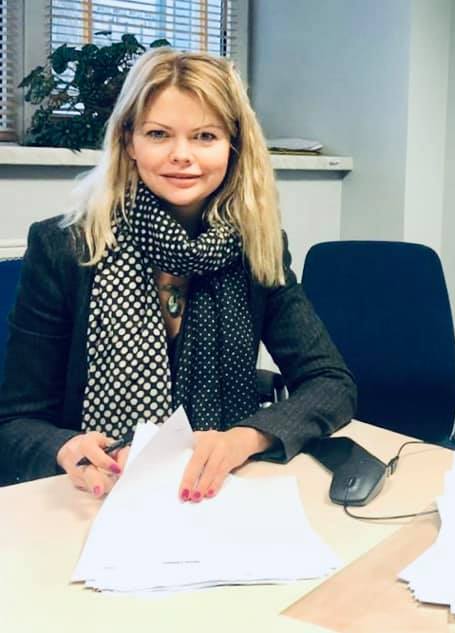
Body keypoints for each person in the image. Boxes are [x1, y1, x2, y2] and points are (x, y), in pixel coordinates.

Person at [0, 48, 357, 502]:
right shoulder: (66, 248)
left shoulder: (256, 247)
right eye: (158, 134)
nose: (181, 155)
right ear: (129, 141)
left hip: (220, 493)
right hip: (95, 496)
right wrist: (63, 448)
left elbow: (331, 383)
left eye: (205, 136)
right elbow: (15, 423)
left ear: (233, 146)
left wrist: (244, 438)